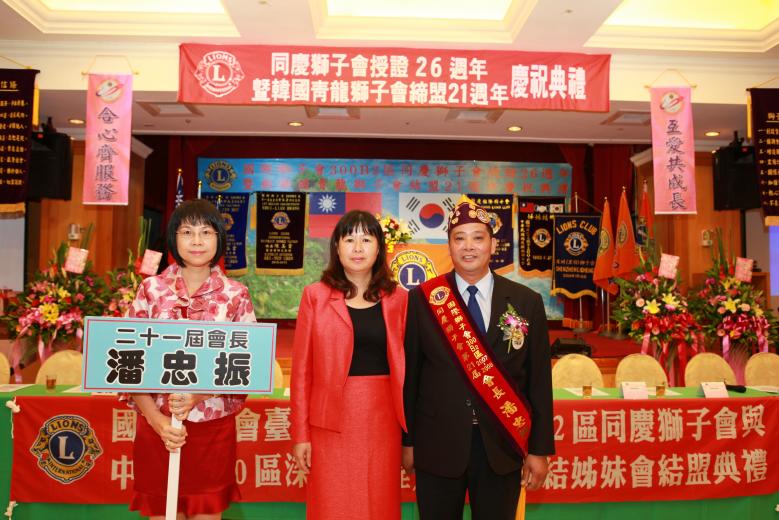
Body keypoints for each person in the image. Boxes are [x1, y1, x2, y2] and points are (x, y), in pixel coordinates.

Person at [402, 196, 554, 520]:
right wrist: (408, 442)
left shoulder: (526, 302)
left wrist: (539, 450)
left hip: (501, 445)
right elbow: (410, 377)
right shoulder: (423, 300)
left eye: (478, 237)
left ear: (493, 244)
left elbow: (540, 381)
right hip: (437, 446)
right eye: (459, 238)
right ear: (449, 246)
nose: (468, 246)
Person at [125, 199, 256, 520]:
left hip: (212, 428)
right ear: (174, 237)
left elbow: (247, 364)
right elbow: (128, 363)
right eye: (187, 232)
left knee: (206, 512)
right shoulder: (150, 290)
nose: (197, 241)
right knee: (162, 512)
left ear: (219, 238)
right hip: (157, 426)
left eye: (206, 232)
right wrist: (157, 421)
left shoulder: (236, 294)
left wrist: (198, 394)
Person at [291, 210, 408, 519]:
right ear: (337, 247)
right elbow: (301, 373)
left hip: (383, 421)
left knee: (379, 504)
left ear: (379, 248)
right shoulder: (315, 297)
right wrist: (300, 434)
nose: (358, 248)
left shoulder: (398, 299)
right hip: (329, 423)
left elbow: (410, 370)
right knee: (333, 505)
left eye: (366, 240)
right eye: (349, 239)